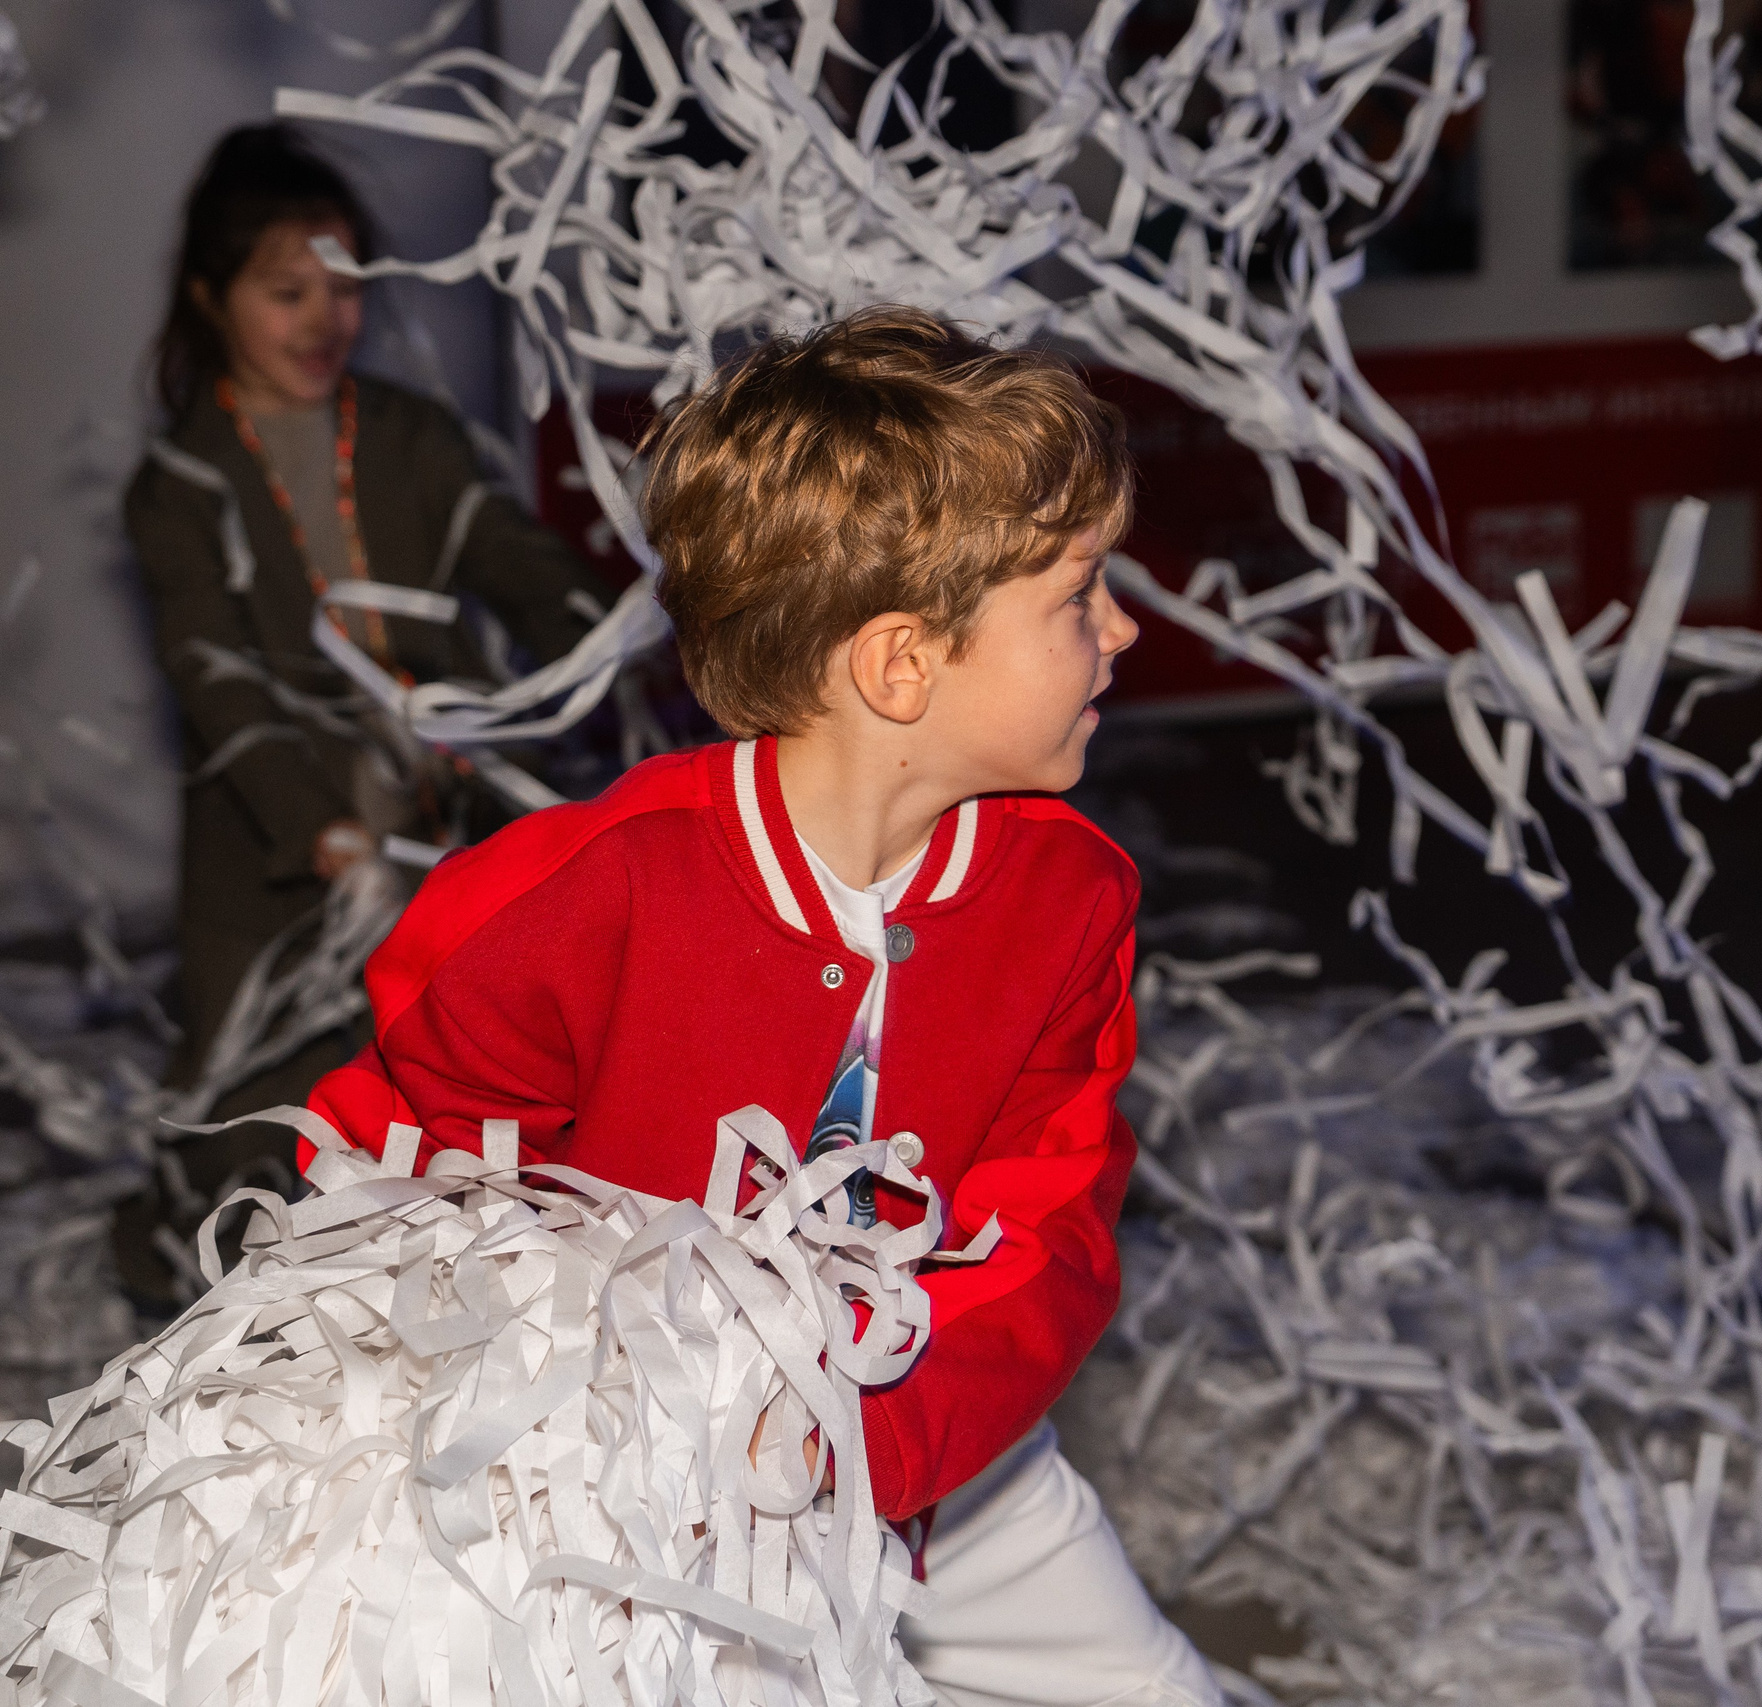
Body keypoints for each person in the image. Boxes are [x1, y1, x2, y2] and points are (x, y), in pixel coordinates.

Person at [301, 307, 1221, 1707]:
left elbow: (1046, 1227)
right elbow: (394, 1193)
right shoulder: (574, 897)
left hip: (945, 1461)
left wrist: (873, 1440)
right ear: (901, 664)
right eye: (1078, 592)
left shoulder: (1070, 895)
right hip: (632, 1515)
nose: (1123, 626)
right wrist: (584, 1433)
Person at [118, 125, 604, 1299]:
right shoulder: (179, 484)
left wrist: (602, 638)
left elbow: (516, 561)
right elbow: (216, 677)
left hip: (447, 821)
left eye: (344, 288)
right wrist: (319, 829)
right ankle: (179, 1270)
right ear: (211, 298)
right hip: (277, 860)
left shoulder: (407, 437)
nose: (323, 319)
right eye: (287, 292)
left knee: (473, 1087)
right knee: (258, 1110)